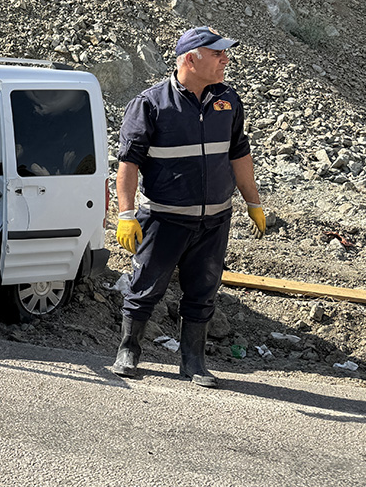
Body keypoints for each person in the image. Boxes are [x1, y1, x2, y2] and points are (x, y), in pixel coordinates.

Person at [111, 26, 266, 387]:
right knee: (145, 288)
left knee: (203, 291)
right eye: (217, 54)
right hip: (164, 218)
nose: (225, 59)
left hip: (214, 220)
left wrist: (253, 202)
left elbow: (239, 153)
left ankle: (193, 362)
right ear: (191, 59)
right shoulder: (151, 104)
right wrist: (125, 214)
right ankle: (128, 349)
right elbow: (128, 165)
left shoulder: (227, 100)